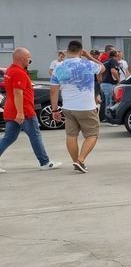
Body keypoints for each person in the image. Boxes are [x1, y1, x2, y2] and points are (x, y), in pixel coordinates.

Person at [0, 47, 61, 172]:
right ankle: (45, 162)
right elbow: (18, 93)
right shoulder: (18, 72)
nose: (30, 60)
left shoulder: (10, 70)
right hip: (24, 111)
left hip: (11, 109)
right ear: (22, 58)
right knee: (35, 136)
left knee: (9, 137)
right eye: (29, 57)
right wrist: (21, 112)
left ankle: (44, 162)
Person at [50, 40, 103, 173]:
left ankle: (76, 162)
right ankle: (80, 160)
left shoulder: (59, 67)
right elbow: (102, 68)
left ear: (67, 51)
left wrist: (54, 109)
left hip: (68, 107)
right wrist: (88, 56)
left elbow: (53, 91)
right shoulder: (88, 64)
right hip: (86, 107)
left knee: (71, 135)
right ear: (81, 51)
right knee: (92, 135)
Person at [100, 47, 122, 122]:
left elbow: (100, 72)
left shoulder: (105, 61)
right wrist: (119, 80)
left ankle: (105, 117)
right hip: (110, 83)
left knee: (106, 101)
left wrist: (101, 81)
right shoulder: (113, 60)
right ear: (116, 55)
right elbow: (113, 71)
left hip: (104, 84)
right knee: (110, 101)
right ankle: (109, 118)